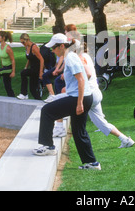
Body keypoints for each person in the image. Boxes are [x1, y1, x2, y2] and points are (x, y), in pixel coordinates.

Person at [33, 33, 100, 170]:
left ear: (62, 46)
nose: (52, 51)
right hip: (84, 97)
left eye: (54, 48)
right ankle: (92, 163)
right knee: (78, 131)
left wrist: (80, 102)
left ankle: (48, 147)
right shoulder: (71, 56)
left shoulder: (70, 58)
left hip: (79, 98)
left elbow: (82, 79)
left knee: (47, 111)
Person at [17, 33, 44, 100]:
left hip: (36, 69)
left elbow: (42, 59)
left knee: (23, 73)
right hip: (32, 68)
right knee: (32, 90)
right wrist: (26, 67)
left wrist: (41, 72)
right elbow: (29, 59)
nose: (22, 44)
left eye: (23, 42)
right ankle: (39, 101)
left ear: (27, 40)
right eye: (21, 43)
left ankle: (24, 93)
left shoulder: (34, 47)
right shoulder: (27, 47)